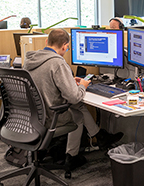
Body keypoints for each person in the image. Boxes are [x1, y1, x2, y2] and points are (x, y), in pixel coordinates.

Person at [23, 28, 123, 170]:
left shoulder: (30, 60)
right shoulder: (57, 63)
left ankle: (100, 137)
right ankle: (72, 156)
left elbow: (47, 82)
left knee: (78, 107)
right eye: (67, 48)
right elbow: (75, 97)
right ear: (65, 45)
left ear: (47, 42)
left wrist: (69, 80)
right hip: (51, 117)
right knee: (78, 114)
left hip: (35, 115)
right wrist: (82, 85)